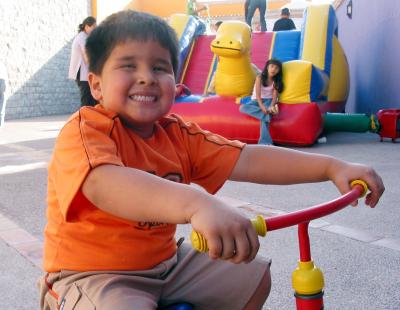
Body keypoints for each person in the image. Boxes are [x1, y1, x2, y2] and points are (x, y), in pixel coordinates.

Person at [38, 10, 385, 310]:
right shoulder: (86, 130)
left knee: (252, 276)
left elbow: (248, 158)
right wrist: (197, 203)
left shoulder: (178, 133)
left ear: (176, 82)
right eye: (128, 66)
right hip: (92, 273)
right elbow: (105, 183)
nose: (146, 76)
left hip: (166, 263)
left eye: (160, 67)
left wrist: (331, 167)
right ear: (96, 85)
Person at [240, 58, 283, 145]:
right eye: (272, 66)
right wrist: (263, 108)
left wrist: (271, 106)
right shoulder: (259, 77)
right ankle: (267, 114)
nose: (273, 69)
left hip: (269, 100)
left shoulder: (276, 81)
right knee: (242, 107)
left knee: (264, 120)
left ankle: (265, 142)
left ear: (279, 71)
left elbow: (274, 97)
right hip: (257, 100)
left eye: (276, 68)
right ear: (267, 67)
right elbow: (258, 95)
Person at [68, 16, 97, 107]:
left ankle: (91, 118)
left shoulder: (84, 36)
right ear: (87, 27)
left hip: (84, 72)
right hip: (81, 72)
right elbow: (86, 56)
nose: (95, 30)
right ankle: (84, 119)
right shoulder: (82, 37)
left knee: (91, 97)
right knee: (86, 97)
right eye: (94, 27)